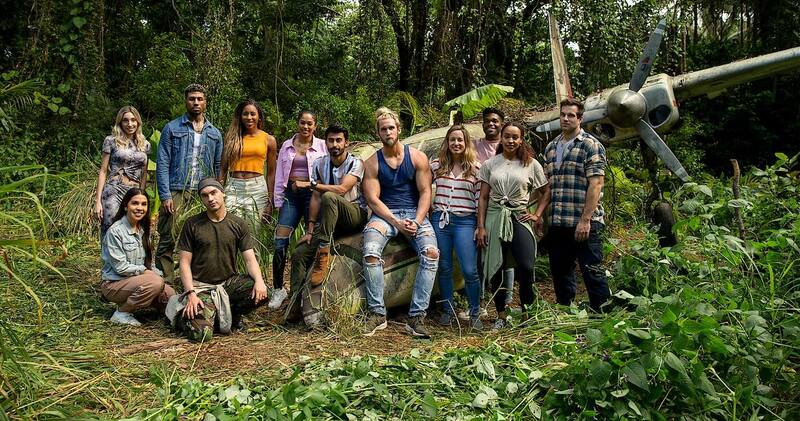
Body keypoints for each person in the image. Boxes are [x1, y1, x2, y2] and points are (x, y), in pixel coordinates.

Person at [362, 107, 439, 338]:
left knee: (432, 253)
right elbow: (373, 200)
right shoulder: (372, 163)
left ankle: (416, 317)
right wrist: (396, 221)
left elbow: (425, 192)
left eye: (391, 128)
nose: (388, 132)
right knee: (371, 252)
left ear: (399, 129)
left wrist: (416, 220)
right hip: (386, 215)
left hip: (414, 214)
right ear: (378, 133)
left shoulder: (417, 157)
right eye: (383, 129)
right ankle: (377, 313)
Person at [166, 178, 269, 342]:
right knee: (202, 334)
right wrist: (191, 293)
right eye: (205, 195)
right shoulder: (192, 224)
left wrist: (259, 281)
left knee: (262, 292)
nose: (210, 199)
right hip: (201, 287)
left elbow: (250, 259)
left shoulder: (238, 224)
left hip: (228, 285)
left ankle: (232, 316)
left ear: (223, 193)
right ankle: (181, 317)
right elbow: (184, 263)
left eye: (214, 193)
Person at [289, 124, 368, 328]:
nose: (335, 144)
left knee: (331, 197)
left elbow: (342, 189)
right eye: (331, 140)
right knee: (300, 252)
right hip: (328, 221)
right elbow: (316, 198)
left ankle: (323, 252)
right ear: (326, 143)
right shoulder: (319, 163)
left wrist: (310, 184)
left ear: (346, 142)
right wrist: (309, 229)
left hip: (353, 215)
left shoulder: (355, 163)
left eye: (339, 140)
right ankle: (294, 304)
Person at [476, 122, 550, 330]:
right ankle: (501, 315)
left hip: (519, 216)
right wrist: (481, 226)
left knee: (526, 266)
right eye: (507, 136)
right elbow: (482, 197)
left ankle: (527, 312)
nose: (510, 141)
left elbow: (545, 192)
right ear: (501, 138)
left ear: (521, 139)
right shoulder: (490, 164)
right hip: (495, 217)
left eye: (515, 137)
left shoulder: (531, 164)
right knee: (497, 267)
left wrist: (536, 215)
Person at [543, 98, 610, 312]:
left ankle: (602, 314)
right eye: (562, 114)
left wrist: (585, 219)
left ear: (580, 118)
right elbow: (547, 188)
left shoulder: (590, 145)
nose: (565, 118)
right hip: (558, 222)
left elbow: (596, 184)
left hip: (584, 223)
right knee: (561, 271)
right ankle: (566, 312)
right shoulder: (551, 148)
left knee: (592, 270)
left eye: (571, 115)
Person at [155, 84, 223, 281]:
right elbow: (163, 162)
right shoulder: (172, 128)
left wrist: (217, 192)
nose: (196, 102)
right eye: (192, 98)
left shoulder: (214, 133)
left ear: (205, 103)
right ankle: (165, 281)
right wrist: (165, 195)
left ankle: (193, 279)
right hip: (177, 188)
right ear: (186, 101)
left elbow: (218, 165)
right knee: (168, 234)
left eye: (199, 99)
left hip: (202, 192)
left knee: (200, 237)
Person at [268, 110, 327, 310]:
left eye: (310, 124)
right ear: (298, 123)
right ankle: (278, 288)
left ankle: (310, 289)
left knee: (314, 240)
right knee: (280, 241)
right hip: (291, 195)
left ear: (315, 126)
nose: (305, 127)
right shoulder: (286, 145)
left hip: (313, 194)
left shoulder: (322, 146)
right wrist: (277, 201)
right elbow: (278, 176)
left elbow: (326, 173)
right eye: (302, 123)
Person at [430, 125, 483, 330]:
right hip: (441, 220)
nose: (456, 144)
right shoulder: (437, 166)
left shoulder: (476, 168)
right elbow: (424, 188)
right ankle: (448, 310)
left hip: (465, 221)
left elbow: (480, 200)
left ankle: (475, 311)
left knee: (469, 270)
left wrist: (480, 226)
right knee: (444, 267)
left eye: (460, 140)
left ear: (466, 143)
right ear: (447, 142)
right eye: (452, 140)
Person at [456, 107, 505, 322]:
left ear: (501, 123)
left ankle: (504, 302)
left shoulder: (510, 144)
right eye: (487, 121)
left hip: (502, 206)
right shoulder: (475, 145)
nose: (491, 124)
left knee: (504, 254)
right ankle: (479, 303)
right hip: (479, 203)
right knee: (478, 255)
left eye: (495, 121)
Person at [100, 188, 175, 326]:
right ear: (125, 206)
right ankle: (122, 313)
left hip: (137, 280)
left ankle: (151, 304)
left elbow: (150, 264)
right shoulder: (115, 232)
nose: (140, 208)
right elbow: (120, 268)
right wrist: (149, 275)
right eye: (135, 203)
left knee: (172, 296)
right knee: (155, 283)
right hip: (114, 284)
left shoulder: (143, 231)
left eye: (144, 204)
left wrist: (160, 279)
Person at [219, 99, 277, 235]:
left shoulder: (269, 139)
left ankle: (253, 257)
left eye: (253, 114)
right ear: (240, 116)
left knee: (253, 232)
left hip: (257, 188)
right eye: (245, 114)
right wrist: (219, 191)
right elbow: (223, 168)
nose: (249, 117)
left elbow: (271, 173)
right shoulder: (232, 137)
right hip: (234, 187)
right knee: (229, 229)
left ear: (259, 116)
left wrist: (270, 201)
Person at [94, 106, 150, 238]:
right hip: (114, 190)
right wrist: (97, 201)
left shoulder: (145, 144)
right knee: (110, 228)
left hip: (134, 193)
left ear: (138, 122)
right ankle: (108, 258)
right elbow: (103, 171)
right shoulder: (111, 141)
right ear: (120, 122)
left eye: (133, 120)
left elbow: (144, 173)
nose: (130, 124)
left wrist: (141, 195)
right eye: (125, 120)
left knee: (133, 229)